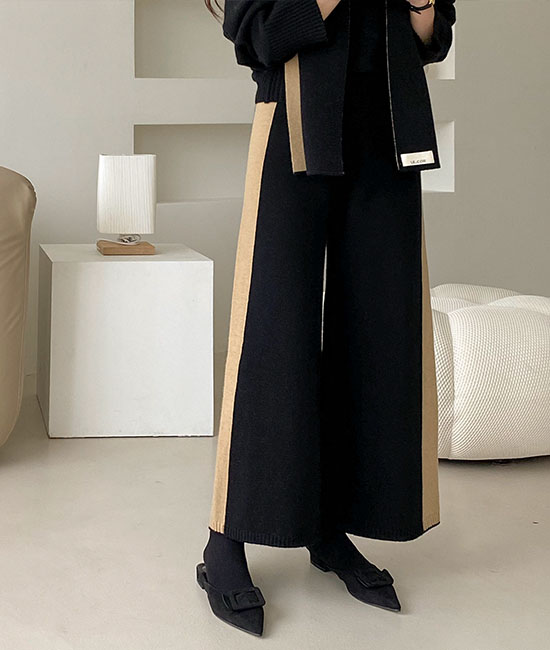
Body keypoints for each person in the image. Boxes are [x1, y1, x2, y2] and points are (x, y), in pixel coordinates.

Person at [196, 0, 456, 636]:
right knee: (272, 331)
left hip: (388, 125)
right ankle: (225, 541)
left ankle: (330, 528)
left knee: (378, 331)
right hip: (290, 120)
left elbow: (432, 37)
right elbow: (259, 34)